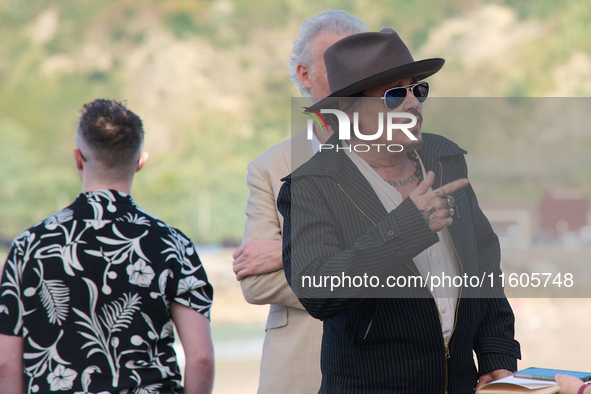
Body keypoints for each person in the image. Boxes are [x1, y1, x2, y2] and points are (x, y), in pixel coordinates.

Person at [278, 28, 521, 393]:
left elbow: (484, 263)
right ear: (349, 108)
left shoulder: (445, 158)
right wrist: (408, 226)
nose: (412, 104)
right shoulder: (312, 185)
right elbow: (318, 290)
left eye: (417, 89)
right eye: (394, 95)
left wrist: (496, 355)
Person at [0, 99, 214, 394]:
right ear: (140, 162)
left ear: (77, 159)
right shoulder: (173, 245)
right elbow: (201, 359)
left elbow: (4, 363)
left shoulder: (28, 247)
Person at [231, 10, 367, 394]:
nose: (348, 72)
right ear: (304, 75)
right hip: (296, 374)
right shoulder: (269, 168)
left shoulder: (399, 156)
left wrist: (290, 252)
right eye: (333, 60)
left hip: (390, 370)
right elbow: (256, 285)